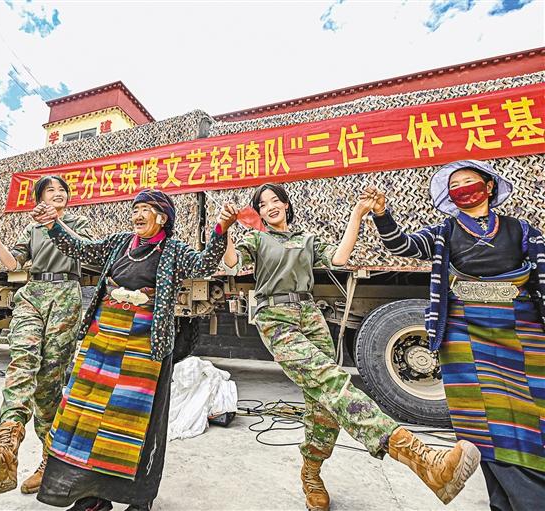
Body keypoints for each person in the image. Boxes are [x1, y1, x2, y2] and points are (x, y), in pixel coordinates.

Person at [222, 183, 480, 511]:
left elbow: (340, 258)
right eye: (262, 203)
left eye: (276, 200)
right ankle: (423, 460)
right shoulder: (257, 239)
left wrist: (358, 214)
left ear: (286, 204)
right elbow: (232, 262)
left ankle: (311, 473)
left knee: (324, 404)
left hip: (310, 315)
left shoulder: (307, 239)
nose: (270, 206)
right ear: (259, 212)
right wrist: (225, 230)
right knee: (332, 382)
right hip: (275, 317)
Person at [34, 189, 235, 511]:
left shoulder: (173, 250)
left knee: (132, 421)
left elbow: (204, 264)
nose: (137, 215)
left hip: (144, 344)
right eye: (135, 209)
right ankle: (91, 497)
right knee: (86, 415)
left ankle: (138, 500)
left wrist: (220, 229)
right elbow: (79, 248)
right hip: (102, 339)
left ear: (162, 218)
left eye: (145, 210)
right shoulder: (119, 243)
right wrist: (53, 225)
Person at [367, 159, 545, 511]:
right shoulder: (443, 232)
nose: (462, 188)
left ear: (489, 187)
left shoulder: (521, 230)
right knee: (484, 424)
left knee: (530, 419)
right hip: (466, 332)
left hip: (521, 330)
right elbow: (401, 245)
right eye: (455, 185)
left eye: (469, 181)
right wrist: (382, 214)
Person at [0, 175, 92, 495]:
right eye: (50, 190)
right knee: (22, 362)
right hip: (33, 293)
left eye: (62, 190)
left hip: (66, 294)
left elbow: (88, 253)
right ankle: (6, 447)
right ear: (39, 198)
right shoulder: (32, 228)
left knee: (49, 380)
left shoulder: (78, 222)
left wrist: (55, 223)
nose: (57, 194)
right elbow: (11, 262)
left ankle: (50, 459)